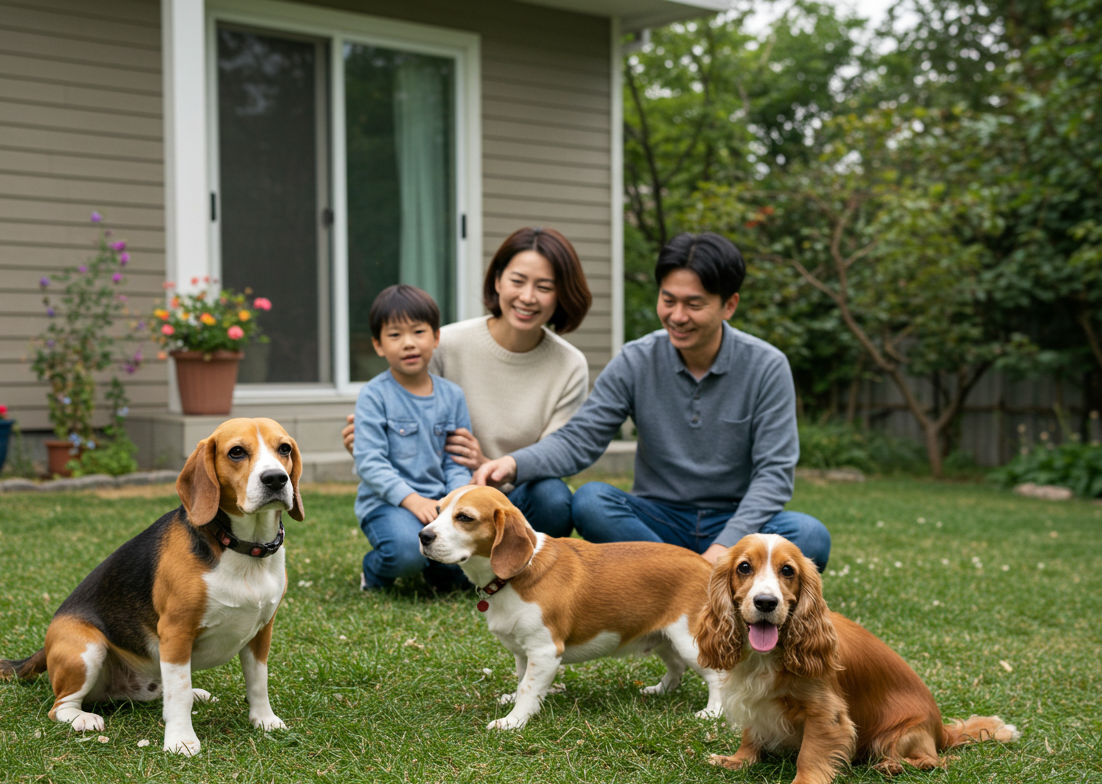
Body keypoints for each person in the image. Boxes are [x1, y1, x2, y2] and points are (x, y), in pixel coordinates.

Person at [474, 231, 831, 570]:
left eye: (694, 304)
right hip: (656, 519)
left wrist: (726, 544)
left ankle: (675, 578)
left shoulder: (766, 366)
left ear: (729, 305)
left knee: (810, 536)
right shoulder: (635, 359)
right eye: (668, 300)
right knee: (592, 502)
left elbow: (774, 475)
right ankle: (691, 578)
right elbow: (580, 439)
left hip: (736, 522)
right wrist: (512, 464)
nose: (677, 316)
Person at [344, 227, 593, 537]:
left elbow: (557, 454)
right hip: (443, 495)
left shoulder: (570, 365)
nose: (527, 297)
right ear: (498, 281)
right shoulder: (445, 343)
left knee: (553, 497)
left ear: (562, 293)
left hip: (510, 496)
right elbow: (400, 407)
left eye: (544, 287)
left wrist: (490, 464)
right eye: (517, 281)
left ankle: (516, 563)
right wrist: (371, 438)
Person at [353, 285, 473, 591]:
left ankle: (437, 572)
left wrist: (453, 498)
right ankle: (375, 572)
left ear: (435, 337)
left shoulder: (452, 396)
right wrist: (412, 499)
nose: (408, 343)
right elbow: (369, 461)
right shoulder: (374, 395)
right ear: (378, 345)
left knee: (462, 570)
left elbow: (456, 458)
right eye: (394, 335)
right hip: (388, 504)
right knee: (405, 553)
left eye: (418, 332)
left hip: (439, 504)